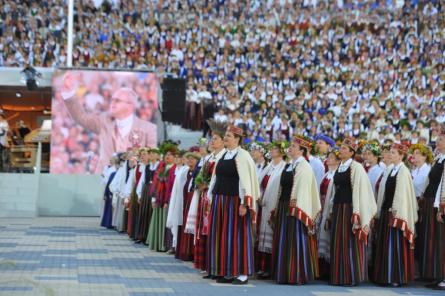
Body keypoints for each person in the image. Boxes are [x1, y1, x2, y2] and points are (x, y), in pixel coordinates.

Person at [61, 72, 157, 173]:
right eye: (112, 100)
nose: (113, 103)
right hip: (103, 182)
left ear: (130, 106)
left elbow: (153, 161)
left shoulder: (149, 129)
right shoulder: (103, 121)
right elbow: (81, 117)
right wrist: (69, 93)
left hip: (133, 183)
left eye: (118, 100)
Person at [206, 125, 260, 285]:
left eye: (228, 136)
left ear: (237, 138)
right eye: (226, 136)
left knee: (238, 236)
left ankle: (242, 273)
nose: (225, 138)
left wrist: (245, 203)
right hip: (220, 200)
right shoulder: (224, 155)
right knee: (222, 236)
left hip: (235, 202)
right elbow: (215, 178)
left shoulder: (244, 156)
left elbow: (247, 181)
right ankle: (227, 270)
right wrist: (210, 198)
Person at [326, 137, 377, 286]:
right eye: (340, 148)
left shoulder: (357, 168)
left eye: (344, 148)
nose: (340, 150)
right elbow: (335, 190)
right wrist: (330, 209)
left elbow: (362, 191)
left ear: (351, 152)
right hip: (338, 207)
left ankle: (350, 277)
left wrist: (357, 212)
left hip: (350, 208)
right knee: (337, 241)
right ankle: (338, 276)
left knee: (350, 242)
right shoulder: (340, 166)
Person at [271, 135, 321, 284]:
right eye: (291, 146)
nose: (290, 148)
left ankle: (296, 274)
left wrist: (295, 206)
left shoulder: (304, 166)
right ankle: (283, 274)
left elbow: (303, 191)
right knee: (284, 239)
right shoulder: (289, 165)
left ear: (301, 150)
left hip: (295, 208)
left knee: (295, 240)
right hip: (284, 205)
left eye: (293, 146)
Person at [374, 144, 418, 287]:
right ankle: (385, 276)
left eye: (393, 153)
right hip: (387, 211)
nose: (390, 155)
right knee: (386, 245)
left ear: (401, 156)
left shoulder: (403, 172)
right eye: (390, 152)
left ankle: (397, 277)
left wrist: (396, 210)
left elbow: (403, 195)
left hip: (396, 213)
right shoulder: (390, 170)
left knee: (396, 246)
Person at [187, 119, 227, 274]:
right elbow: (201, 175)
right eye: (212, 138)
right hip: (204, 197)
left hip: (213, 198)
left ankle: (214, 265)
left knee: (212, 231)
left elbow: (217, 178)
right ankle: (206, 265)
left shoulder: (223, 157)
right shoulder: (210, 157)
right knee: (203, 231)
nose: (212, 141)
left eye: (215, 138)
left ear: (223, 141)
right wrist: (200, 184)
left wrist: (207, 185)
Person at [256, 141, 286, 279]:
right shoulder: (269, 167)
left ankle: (269, 268)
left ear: (281, 152)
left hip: (273, 206)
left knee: (270, 236)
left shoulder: (283, 167)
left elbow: (279, 189)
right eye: (272, 148)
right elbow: (260, 184)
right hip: (263, 205)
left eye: (275, 149)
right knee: (261, 237)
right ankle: (261, 267)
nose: (272, 150)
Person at [420, 130, 445, 290]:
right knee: (436, 241)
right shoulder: (439, 159)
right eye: (437, 139)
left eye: (441, 139)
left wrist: (441, 206)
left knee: (442, 241)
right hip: (432, 202)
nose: (437, 142)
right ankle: (438, 275)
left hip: (440, 204)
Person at [146, 142, 178, 251]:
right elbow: (155, 184)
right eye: (166, 155)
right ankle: (157, 244)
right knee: (158, 221)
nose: (167, 157)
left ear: (175, 157)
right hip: (159, 199)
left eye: (170, 155)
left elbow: (172, 187)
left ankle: (165, 245)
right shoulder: (161, 167)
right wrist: (154, 198)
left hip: (167, 200)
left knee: (166, 222)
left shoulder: (175, 168)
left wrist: (167, 201)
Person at [318, 148, 341, 280]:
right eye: (328, 157)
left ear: (337, 160)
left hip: (329, 208)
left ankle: (329, 269)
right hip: (322, 206)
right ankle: (322, 269)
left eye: (331, 157)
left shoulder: (336, 174)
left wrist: (330, 211)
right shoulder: (326, 174)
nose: (328, 160)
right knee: (322, 237)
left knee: (328, 237)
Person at [175, 150, 201, 261]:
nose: (190, 160)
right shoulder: (185, 172)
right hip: (185, 202)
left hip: (193, 201)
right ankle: (184, 250)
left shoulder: (198, 172)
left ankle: (191, 252)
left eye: (193, 159)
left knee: (191, 225)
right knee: (184, 224)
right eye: (188, 158)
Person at [135, 148, 160, 243]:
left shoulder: (159, 166)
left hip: (154, 189)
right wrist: (139, 194)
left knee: (150, 213)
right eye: (151, 154)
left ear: (157, 156)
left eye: (154, 154)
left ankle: (150, 238)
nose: (152, 155)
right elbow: (142, 180)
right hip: (146, 190)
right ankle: (142, 236)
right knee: (144, 213)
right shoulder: (147, 166)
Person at [100, 155, 118, 229]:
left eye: (112, 159)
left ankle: (110, 223)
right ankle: (106, 222)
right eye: (110, 159)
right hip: (107, 187)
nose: (110, 161)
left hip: (111, 188)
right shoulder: (107, 168)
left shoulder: (114, 169)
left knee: (111, 206)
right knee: (106, 206)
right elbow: (104, 178)